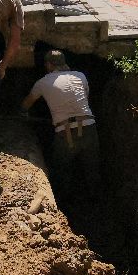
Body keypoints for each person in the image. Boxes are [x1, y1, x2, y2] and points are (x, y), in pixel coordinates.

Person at [22, 50, 101, 200]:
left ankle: (64, 204)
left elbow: (26, 104)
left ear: (48, 64)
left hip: (64, 132)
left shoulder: (42, 82)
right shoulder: (80, 76)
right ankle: (96, 201)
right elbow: (85, 98)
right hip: (89, 128)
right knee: (92, 169)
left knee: (61, 170)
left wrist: (22, 112)